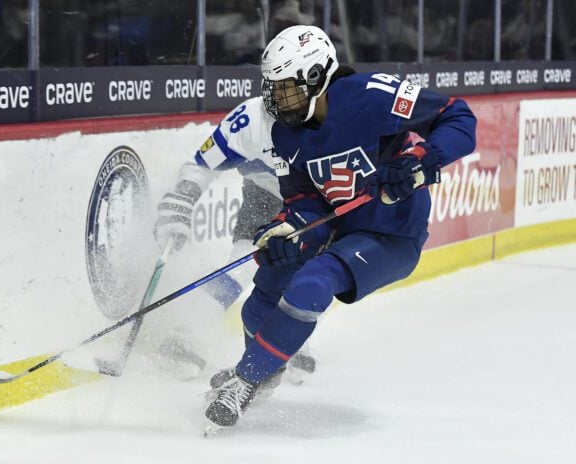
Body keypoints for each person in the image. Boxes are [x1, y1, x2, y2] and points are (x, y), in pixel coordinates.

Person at [204, 24, 477, 428]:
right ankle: (265, 370)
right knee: (260, 301)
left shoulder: (372, 96)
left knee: (311, 284)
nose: (275, 98)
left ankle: (246, 380)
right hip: (338, 228)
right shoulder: (286, 133)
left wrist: (420, 161)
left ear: (316, 77)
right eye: (272, 87)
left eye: (285, 87)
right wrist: (287, 231)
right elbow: (304, 201)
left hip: (392, 234)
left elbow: (457, 115)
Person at [154, 96, 317, 379]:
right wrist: (184, 196)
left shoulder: (333, 116)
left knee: (312, 272)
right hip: (267, 193)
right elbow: (203, 163)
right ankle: (184, 333)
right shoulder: (248, 121)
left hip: (317, 201)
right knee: (245, 261)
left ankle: (286, 337)